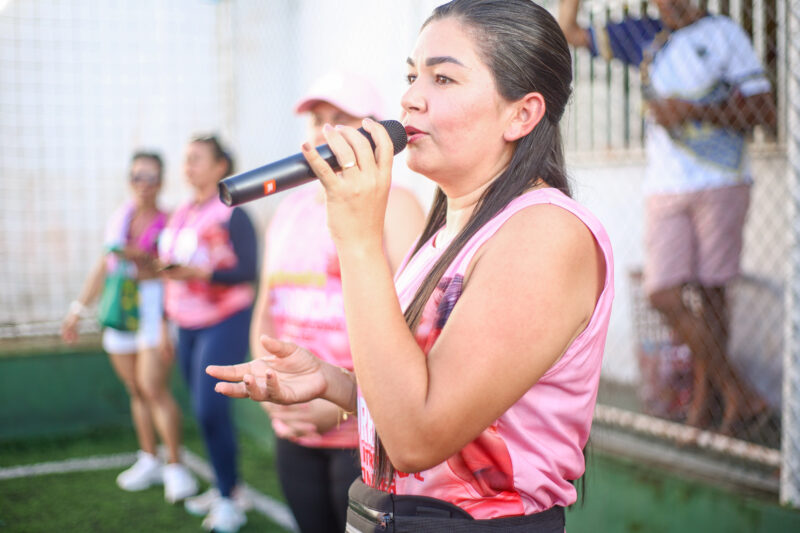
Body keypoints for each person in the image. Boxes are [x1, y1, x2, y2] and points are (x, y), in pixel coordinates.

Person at [209, 0, 614, 530]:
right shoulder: (448, 232)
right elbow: (427, 395)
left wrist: (356, 238)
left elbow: (418, 437)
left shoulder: (545, 234)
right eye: (411, 75)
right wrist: (335, 382)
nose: (410, 99)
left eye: (443, 78)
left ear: (522, 113)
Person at [558, 0, 777, 435]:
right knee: (664, 293)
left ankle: (706, 406)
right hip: (665, 187)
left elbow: (764, 111)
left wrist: (693, 111)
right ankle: (739, 392)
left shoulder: (724, 35)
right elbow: (568, 31)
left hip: (721, 180)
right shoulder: (645, 35)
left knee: (712, 295)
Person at [249, 72, 426, 533]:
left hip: (366, 435)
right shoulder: (289, 210)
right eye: (317, 120)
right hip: (295, 425)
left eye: (340, 120)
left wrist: (342, 398)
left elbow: (419, 323)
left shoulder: (400, 205)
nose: (325, 132)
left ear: (372, 131)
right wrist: (272, 389)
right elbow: (267, 304)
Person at [61, 151, 197, 503]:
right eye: (138, 176)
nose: (144, 184)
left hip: (154, 311)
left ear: (162, 182)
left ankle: (175, 466)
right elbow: (103, 266)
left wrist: (141, 259)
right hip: (120, 310)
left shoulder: (170, 221)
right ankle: (149, 458)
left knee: (154, 388)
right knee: (136, 389)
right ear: (129, 179)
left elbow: (174, 273)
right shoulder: (118, 220)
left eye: (152, 177)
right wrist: (77, 309)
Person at [158, 135, 257, 533]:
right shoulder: (182, 211)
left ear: (221, 166)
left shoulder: (233, 210)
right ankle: (227, 487)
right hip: (186, 324)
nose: (188, 167)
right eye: (186, 159)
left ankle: (230, 499)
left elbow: (248, 269)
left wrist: (200, 273)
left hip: (225, 319)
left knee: (210, 410)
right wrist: (168, 323)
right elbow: (171, 272)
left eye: (197, 159)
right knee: (204, 411)